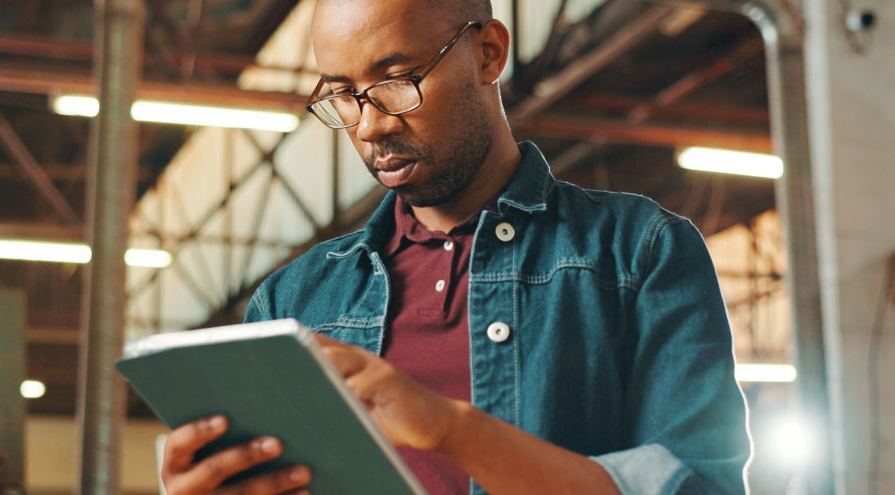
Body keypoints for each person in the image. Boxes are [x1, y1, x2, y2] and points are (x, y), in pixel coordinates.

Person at [159, 0, 751, 492]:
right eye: (343, 94)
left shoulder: (637, 255)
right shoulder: (292, 301)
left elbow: (697, 485)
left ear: (488, 52)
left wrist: (451, 430)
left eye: (396, 81)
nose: (369, 125)